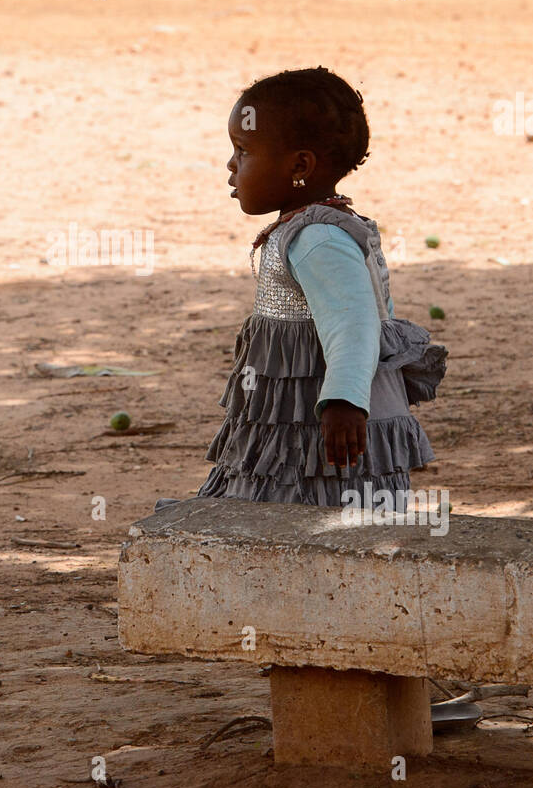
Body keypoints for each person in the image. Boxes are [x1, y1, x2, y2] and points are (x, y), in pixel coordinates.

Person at [185, 66, 447, 508]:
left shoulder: (318, 239)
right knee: (287, 497)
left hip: (322, 419)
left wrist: (344, 401)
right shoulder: (302, 229)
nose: (231, 165)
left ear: (300, 165)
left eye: (243, 150)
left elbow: (355, 323)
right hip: (296, 418)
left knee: (325, 506)